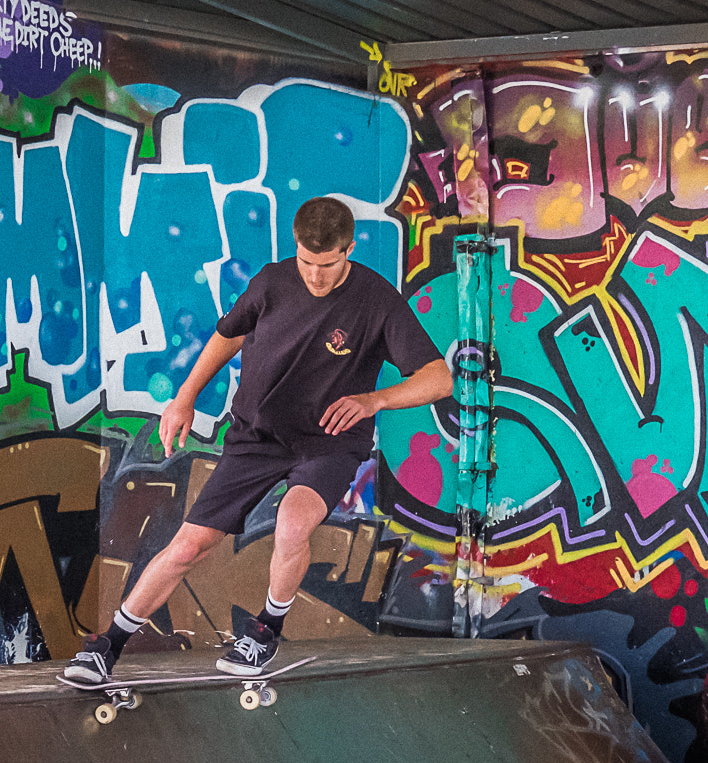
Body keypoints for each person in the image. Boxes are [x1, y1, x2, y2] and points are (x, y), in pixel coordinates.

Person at [64, 196, 453, 683]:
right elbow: (227, 335)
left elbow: (439, 378)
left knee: (292, 525)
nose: (315, 276)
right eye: (307, 263)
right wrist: (184, 398)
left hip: (328, 443)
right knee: (188, 546)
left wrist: (375, 400)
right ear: (295, 248)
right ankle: (107, 647)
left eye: (328, 265)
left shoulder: (376, 299)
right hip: (257, 436)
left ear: (349, 250)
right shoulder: (272, 282)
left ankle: (265, 630)